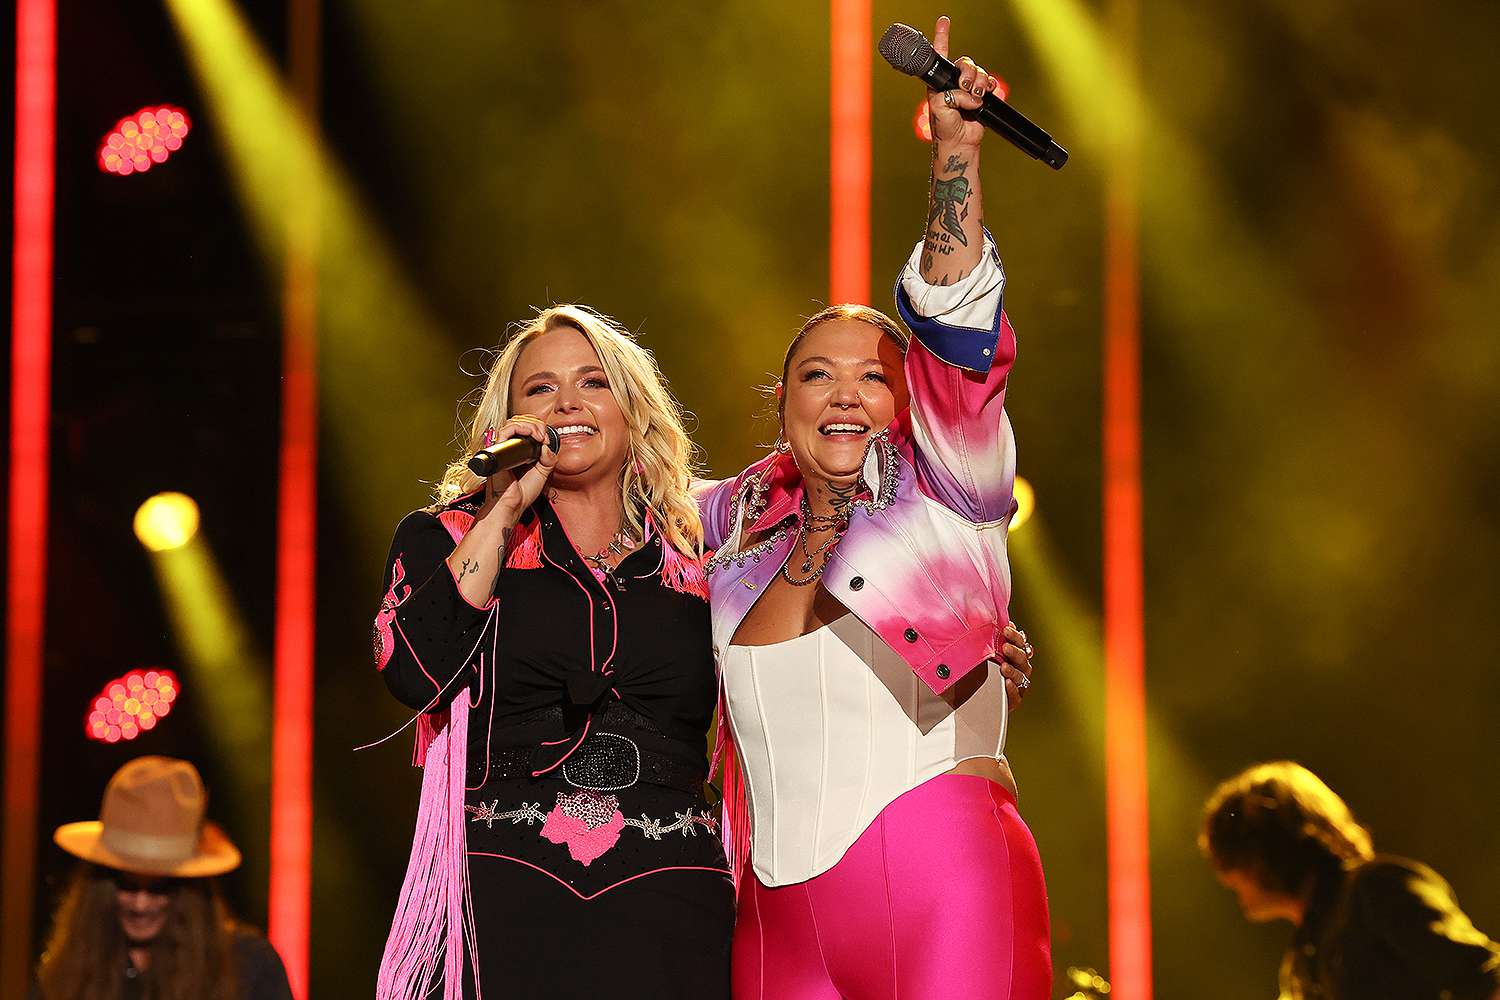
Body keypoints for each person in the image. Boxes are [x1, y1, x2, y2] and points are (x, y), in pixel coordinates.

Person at [695, 17, 1050, 998]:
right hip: (773, 922)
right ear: (783, 403)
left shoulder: (948, 483)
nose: (847, 392)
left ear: (910, 402)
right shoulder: (725, 526)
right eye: (818, 373)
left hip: (941, 880)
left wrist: (955, 152)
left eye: (876, 374)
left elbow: (954, 316)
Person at [374, 306, 733, 998]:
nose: (567, 402)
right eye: (540, 390)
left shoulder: (703, 554)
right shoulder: (447, 537)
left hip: (671, 900)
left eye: (593, 382)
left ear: (633, 414)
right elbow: (414, 673)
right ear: (504, 424)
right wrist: (501, 511)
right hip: (505, 890)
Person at [1200, 761, 1500, 1000]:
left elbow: (1484, 976)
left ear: (1268, 850)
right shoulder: (1300, 964)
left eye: (1232, 860)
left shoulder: (1375, 890)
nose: (1227, 879)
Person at [35, 755, 292, 1000]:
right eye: (127, 884)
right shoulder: (70, 970)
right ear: (100, 885)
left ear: (192, 889)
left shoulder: (250, 967)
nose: (140, 904)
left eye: (159, 888)